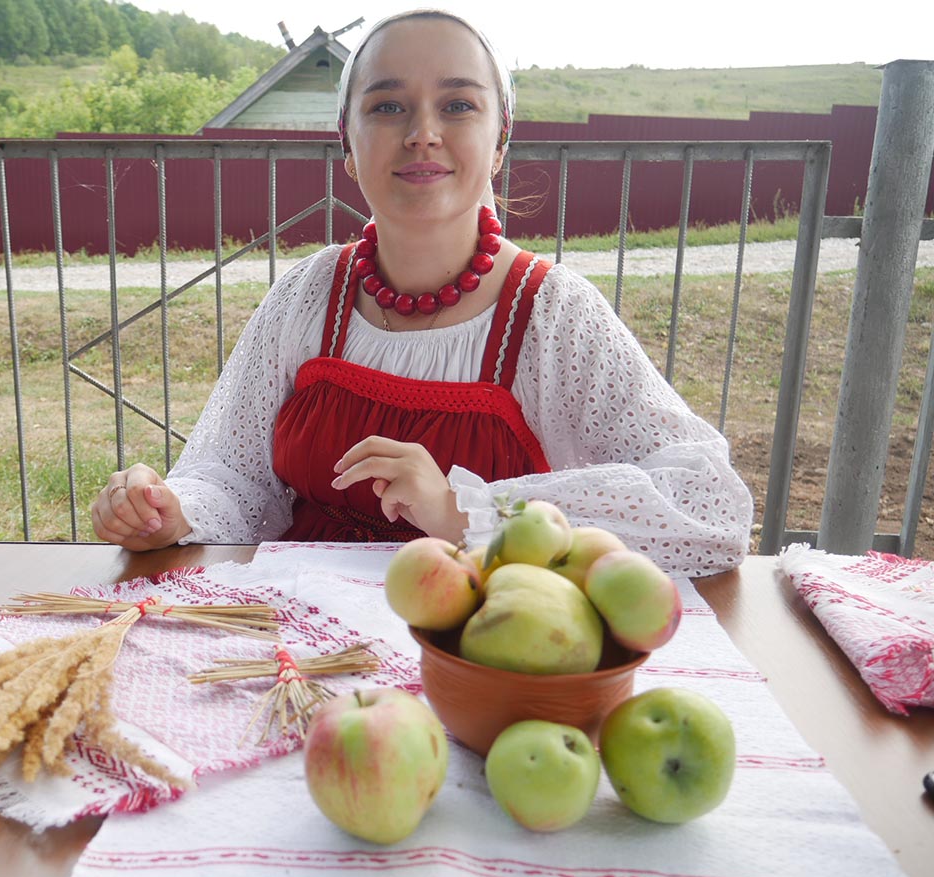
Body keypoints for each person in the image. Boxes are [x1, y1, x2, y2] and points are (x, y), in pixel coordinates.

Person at [91, 9, 753, 578]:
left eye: (459, 104)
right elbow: (236, 477)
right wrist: (172, 509)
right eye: (387, 106)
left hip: (485, 653)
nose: (422, 132)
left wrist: (463, 512)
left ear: (499, 142)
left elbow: (711, 509)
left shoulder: (554, 315)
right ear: (348, 147)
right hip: (297, 641)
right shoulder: (306, 295)